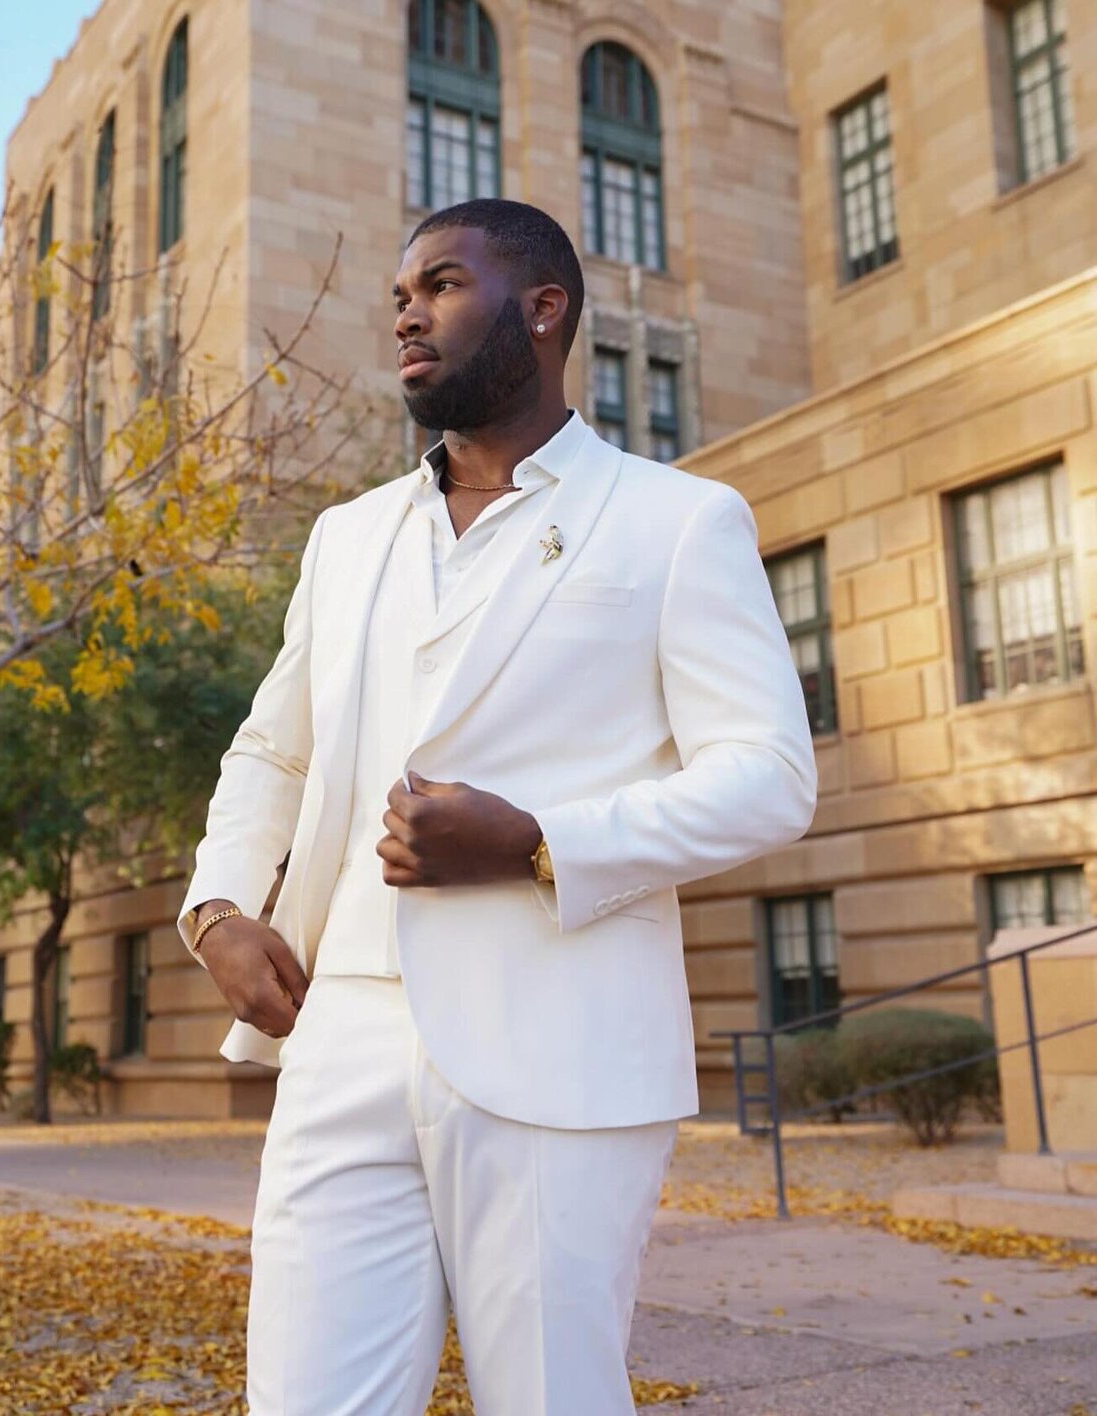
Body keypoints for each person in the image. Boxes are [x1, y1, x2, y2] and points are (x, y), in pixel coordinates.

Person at [177, 198, 816, 1416]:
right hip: (344, 1026)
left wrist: (537, 842)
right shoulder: (347, 537)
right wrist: (217, 908)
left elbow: (771, 778)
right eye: (401, 291)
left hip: (561, 1041)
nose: (408, 308)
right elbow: (273, 748)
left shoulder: (678, 522)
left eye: (443, 282)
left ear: (544, 308)